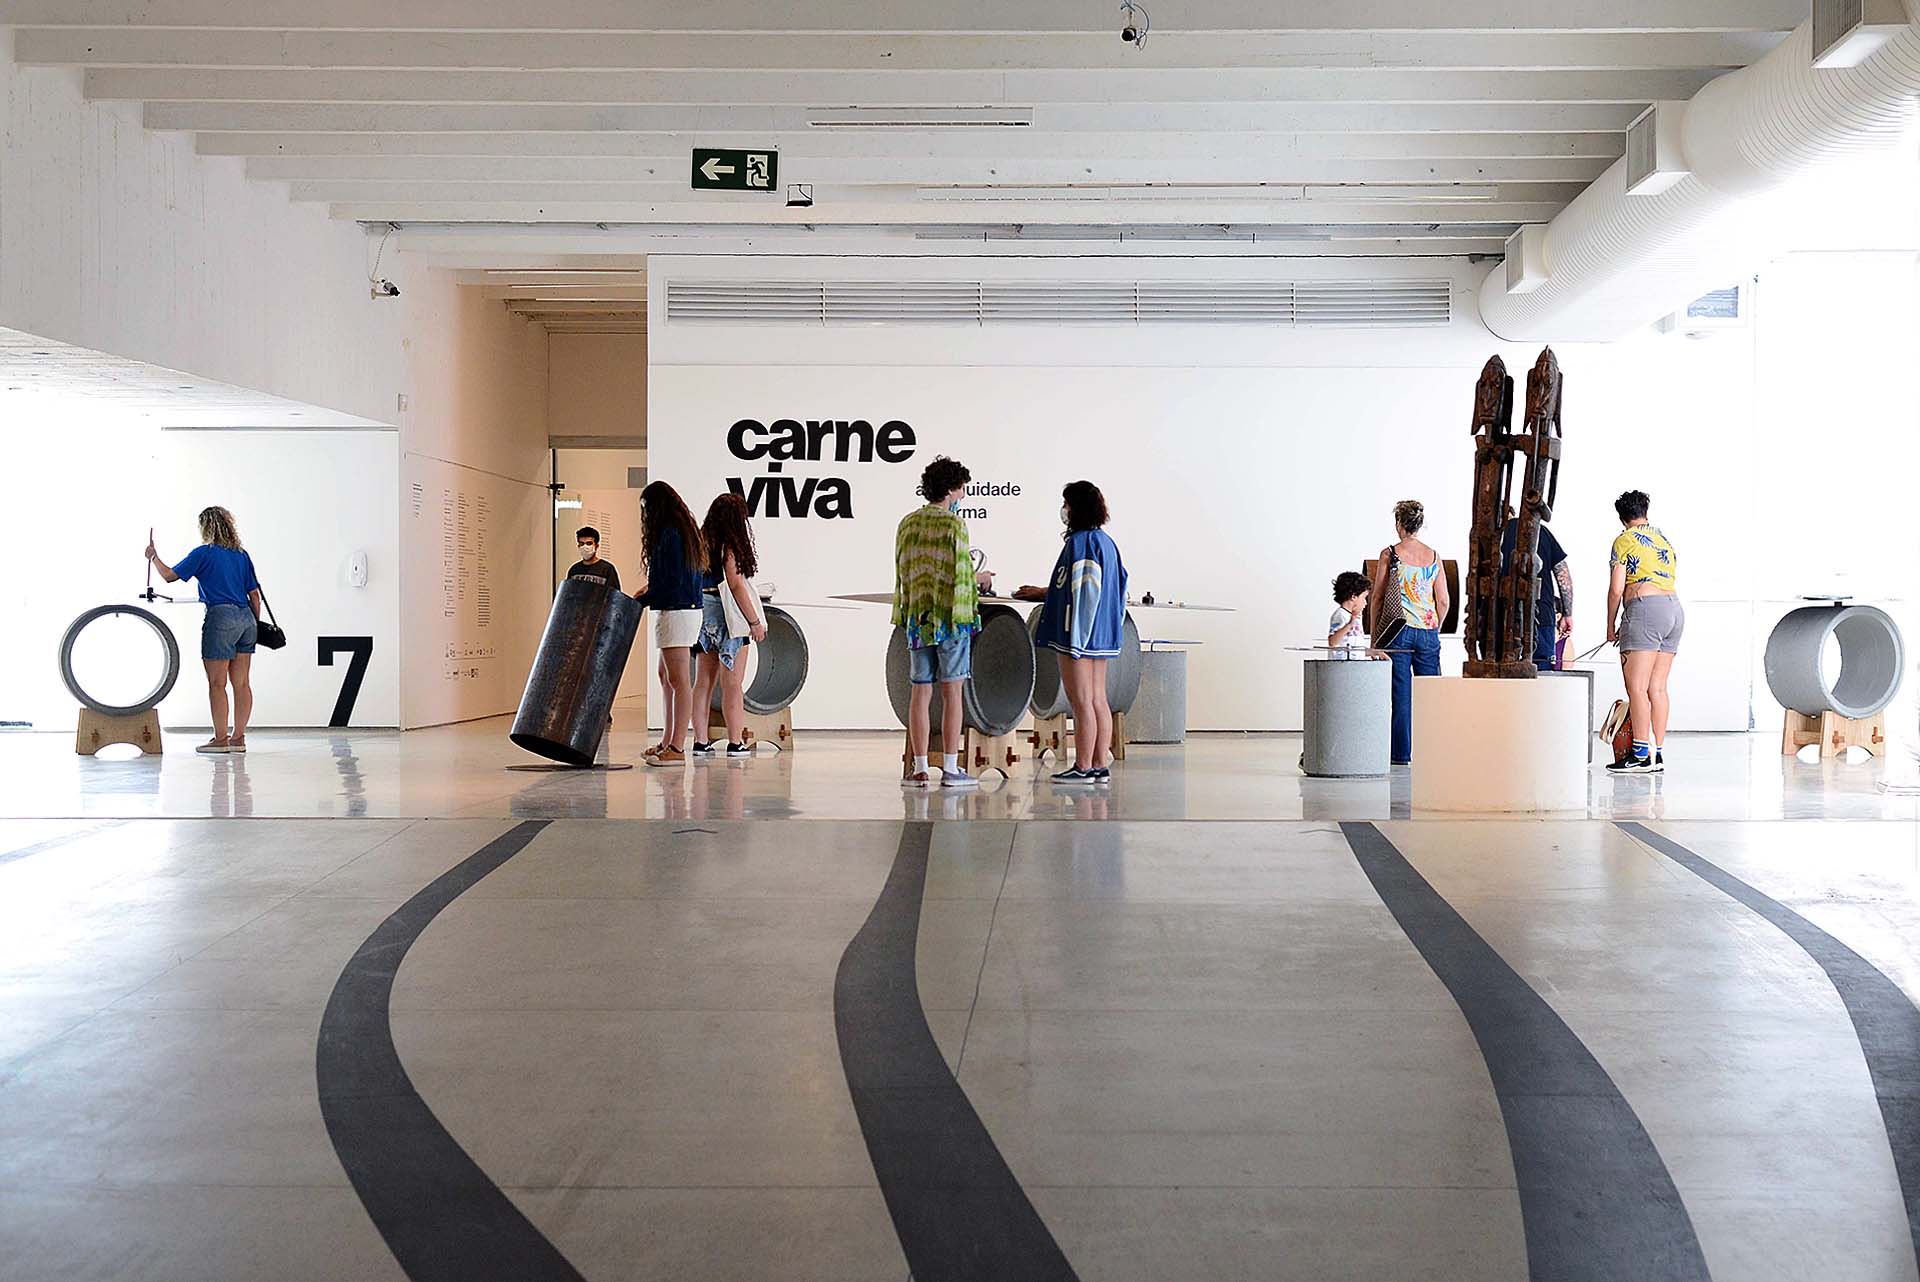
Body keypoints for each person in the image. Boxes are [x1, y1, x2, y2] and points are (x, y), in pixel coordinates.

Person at [1017, 481, 1128, 785]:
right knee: (1098, 699)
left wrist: (1076, 637)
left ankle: (1082, 766)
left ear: (1076, 508)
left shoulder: (1081, 543)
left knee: (1081, 702)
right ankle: (1099, 765)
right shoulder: (1106, 542)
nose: (1063, 510)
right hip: (1102, 635)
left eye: (1066, 504)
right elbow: (1117, 587)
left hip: (1078, 635)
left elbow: (1083, 591)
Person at [893, 455, 989, 790]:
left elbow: (903, 572)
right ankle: (950, 767)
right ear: (950, 489)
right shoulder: (955, 525)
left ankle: (919, 768)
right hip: (950, 619)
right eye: (961, 489)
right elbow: (961, 577)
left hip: (918, 619)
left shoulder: (907, 524)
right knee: (952, 693)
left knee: (920, 693)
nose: (962, 496)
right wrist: (982, 578)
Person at [145, 506, 264, 755]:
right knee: (242, 683)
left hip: (221, 617)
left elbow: (169, 576)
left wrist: (153, 557)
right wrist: (254, 625)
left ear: (205, 527)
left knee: (217, 683)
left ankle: (220, 740)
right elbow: (254, 595)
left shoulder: (204, 553)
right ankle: (238, 738)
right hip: (247, 618)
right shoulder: (241, 555)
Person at [1605, 490, 1682, 775]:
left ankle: (1640, 756)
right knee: (1657, 687)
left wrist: (1610, 625)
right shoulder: (1662, 538)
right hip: (1674, 610)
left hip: (1645, 609)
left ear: (1622, 518)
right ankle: (1657, 754)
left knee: (1636, 688)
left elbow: (1616, 589)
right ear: (1645, 512)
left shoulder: (1624, 540)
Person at [689, 493, 768, 759]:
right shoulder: (730, 544)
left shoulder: (702, 542)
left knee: (703, 682)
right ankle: (735, 743)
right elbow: (735, 585)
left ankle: (700, 742)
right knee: (732, 683)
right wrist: (754, 621)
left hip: (704, 613)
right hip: (728, 616)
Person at [1370, 499, 1448, 766]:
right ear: (1419, 525)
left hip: (1398, 631)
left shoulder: (1390, 554)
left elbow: (1378, 598)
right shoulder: (1434, 556)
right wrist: (1434, 625)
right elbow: (1443, 601)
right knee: (1430, 693)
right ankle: (1432, 750)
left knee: (1401, 695)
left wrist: (1375, 639)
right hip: (1428, 630)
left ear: (1399, 524)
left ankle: (1401, 755)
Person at [634, 482, 706, 767]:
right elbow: (670, 578)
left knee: (679, 681)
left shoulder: (671, 533)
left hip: (678, 611)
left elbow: (671, 581)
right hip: (677, 610)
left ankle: (676, 747)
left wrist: (644, 599)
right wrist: (649, 592)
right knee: (666, 677)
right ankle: (667, 742)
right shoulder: (682, 531)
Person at [1499, 509, 1572, 670]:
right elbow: (1562, 573)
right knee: (1541, 675)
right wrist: (1567, 614)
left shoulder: (1494, 536)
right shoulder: (1542, 531)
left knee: (1501, 675)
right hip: (1541, 615)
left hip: (1501, 617)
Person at [1327, 570, 1372, 659]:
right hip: (1341, 665)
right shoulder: (1340, 615)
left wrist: (1375, 653)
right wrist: (1350, 624)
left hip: (1354, 664)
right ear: (1353, 597)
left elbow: (1356, 648)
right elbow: (1332, 642)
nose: (1365, 603)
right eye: (1364, 598)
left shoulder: (1356, 617)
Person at [565, 526, 620, 590]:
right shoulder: (574, 570)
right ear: (578, 546)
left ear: (596, 546)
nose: (585, 547)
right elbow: (567, 593)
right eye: (582, 543)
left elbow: (614, 594)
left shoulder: (607, 569)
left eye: (589, 543)